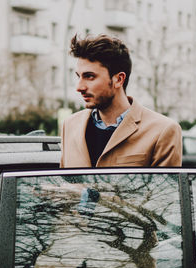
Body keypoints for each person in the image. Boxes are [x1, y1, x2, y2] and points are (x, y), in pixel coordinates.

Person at [60, 34, 182, 168]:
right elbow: (64, 186)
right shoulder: (70, 126)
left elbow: (164, 188)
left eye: (89, 77)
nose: (79, 87)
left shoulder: (163, 130)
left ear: (118, 79)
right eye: (79, 76)